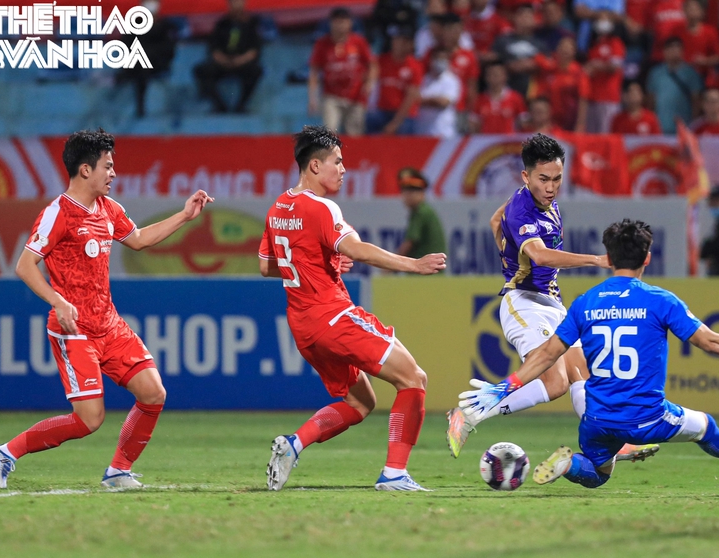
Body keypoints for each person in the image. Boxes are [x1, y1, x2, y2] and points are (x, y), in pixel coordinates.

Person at [458, 219, 719, 489]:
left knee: (599, 473)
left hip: (596, 419)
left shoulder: (586, 302)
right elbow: (710, 342)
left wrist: (503, 387)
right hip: (647, 418)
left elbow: (547, 355)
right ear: (647, 258)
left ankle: (571, 465)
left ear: (610, 257)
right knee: (705, 426)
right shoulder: (660, 300)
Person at [0, 129, 213, 490]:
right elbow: (25, 266)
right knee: (89, 419)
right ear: (85, 170)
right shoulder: (57, 213)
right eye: (108, 166)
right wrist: (58, 301)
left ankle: (118, 471)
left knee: (153, 393)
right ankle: (5, 452)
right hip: (74, 330)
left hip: (110, 324)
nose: (113, 173)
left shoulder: (109, 208)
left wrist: (185, 216)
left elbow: (138, 239)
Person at [446, 135, 655, 464]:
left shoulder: (540, 201)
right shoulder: (522, 209)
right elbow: (541, 256)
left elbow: (495, 220)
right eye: (543, 179)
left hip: (552, 304)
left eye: (557, 179)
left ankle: (613, 442)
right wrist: (596, 260)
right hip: (524, 302)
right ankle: (469, 413)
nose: (551, 187)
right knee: (554, 381)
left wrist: (505, 249)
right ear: (525, 176)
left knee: (583, 372)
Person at [260, 126, 446, 492]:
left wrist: (321, 261)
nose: (344, 169)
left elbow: (267, 267)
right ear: (315, 166)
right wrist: (413, 264)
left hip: (303, 327)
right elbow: (358, 250)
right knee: (414, 378)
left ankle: (293, 445)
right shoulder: (322, 207)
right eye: (337, 162)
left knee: (360, 402)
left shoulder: (278, 207)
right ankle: (394, 474)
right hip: (333, 317)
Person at [308, 7, 377, 136]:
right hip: (331, 96)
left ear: (350, 23)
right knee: (329, 133)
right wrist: (312, 97)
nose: (340, 25)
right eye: (337, 21)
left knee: (354, 134)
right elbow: (314, 71)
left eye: (343, 21)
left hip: (356, 96)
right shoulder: (322, 44)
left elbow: (372, 65)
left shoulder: (358, 42)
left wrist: (369, 84)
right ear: (330, 23)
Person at [193, 0, 262, 114]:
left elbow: (254, 50)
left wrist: (240, 60)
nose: (236, 5)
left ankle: (241, 105)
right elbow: (214, 48)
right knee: (202, 71)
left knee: (255, 71)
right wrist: (224, 60)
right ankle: (220, 106)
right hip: (223, 63)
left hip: (243, 63)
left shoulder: (253, 24)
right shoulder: (222, 24)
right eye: (233, 2)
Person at [117, 0, 178, 118]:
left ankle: (141, 108)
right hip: (136, 64)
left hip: (157, 64)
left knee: (143, 66)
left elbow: (168, 51)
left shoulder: (166, 28)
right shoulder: (133, 27)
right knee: (139, 67)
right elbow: (124, 46)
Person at [367, 25, 422, 135]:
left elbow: (410, 98)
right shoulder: (382, 61)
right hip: (382, 111)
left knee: (405, 128)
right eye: (396, 40)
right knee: (369, 119)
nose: (398, 44)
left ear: (410, 44)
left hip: (404, 115)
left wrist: (395, 123)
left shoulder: (415, 66)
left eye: (402, 41)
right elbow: (369, 74)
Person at [645, 36, 703, 134]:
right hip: (660, 126)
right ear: (664, 52)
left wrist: (693, 125)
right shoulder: (655, 73)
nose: (674, 51)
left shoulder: (691, 73)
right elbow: (651, 100)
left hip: (684, 127)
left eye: (677, 48)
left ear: (682, 51)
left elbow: (696, 101)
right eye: (670, 48)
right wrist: (651, 124)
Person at [584, 11, 625, 133]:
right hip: (592, 98)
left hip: (609, 98)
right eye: (599, 19)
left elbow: (615, 67)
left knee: (606, 134)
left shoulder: (615, 43)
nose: (602, 22)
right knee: (591, 136)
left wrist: (597, 66)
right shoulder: (593, 46)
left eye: (605, 19)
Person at [396, 167, 447, 261]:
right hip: (432, 266)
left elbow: (409, 244)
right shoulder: (425, 210)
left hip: (425, 267)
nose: (407, 196)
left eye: (412, 191)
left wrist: (392, 263)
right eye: (405, 191)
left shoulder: (421, 212)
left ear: (422, 193)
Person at [469, 61, 528, 133]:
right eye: (490, 74)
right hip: (486, 139)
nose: (494, 77)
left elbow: (523, 123)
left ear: (505, 76)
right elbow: (474, 125)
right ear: (486, 77)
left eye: (497, 74)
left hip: (508, 139)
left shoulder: (516, 98)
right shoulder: (480, 99)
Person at [417, 46, 462, 137]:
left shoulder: (452, 80)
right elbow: (413, 99)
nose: (441, 61)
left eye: (444, 59)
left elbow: (444, 103)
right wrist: (434, 100)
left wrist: (422, 100)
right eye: (438, 58)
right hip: (421, 132)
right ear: (431, 60)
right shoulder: (423, 79)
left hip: (443, 132)